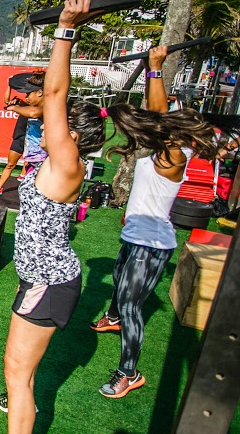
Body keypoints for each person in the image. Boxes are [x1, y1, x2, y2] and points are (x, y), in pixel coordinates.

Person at [0, 0, 107, 434]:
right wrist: (26, 100)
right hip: (44, 276)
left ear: (71, 136)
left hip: (48, 282)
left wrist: (66, 30)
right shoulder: (56, 163)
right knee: (18, 372)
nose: (49, 121)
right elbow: (41, 99)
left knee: (17, 372)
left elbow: (54, 93)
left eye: (58, 121)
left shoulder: (66, 163)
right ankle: (19, 395)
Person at [89, 45, 216, 398]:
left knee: (132, 303)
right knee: (118, 280)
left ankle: (129, 373)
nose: (163, 128)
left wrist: (155, 69)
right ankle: (112, 318)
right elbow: (159, 118)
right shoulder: (164, 149)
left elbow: (158, 116)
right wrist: (151, 69)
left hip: (152, 243)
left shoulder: (175, 155)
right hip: (136, 234)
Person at [0, 74, 44, 196]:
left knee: (36, 194)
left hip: (43, 161)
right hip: (33, 158)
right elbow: (29, 109)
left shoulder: (47, 107)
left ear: (40, 93)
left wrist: (14, 108)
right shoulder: (31, 106)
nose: (26, 97)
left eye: (29, 94)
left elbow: (34, 113)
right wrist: (18, 104)